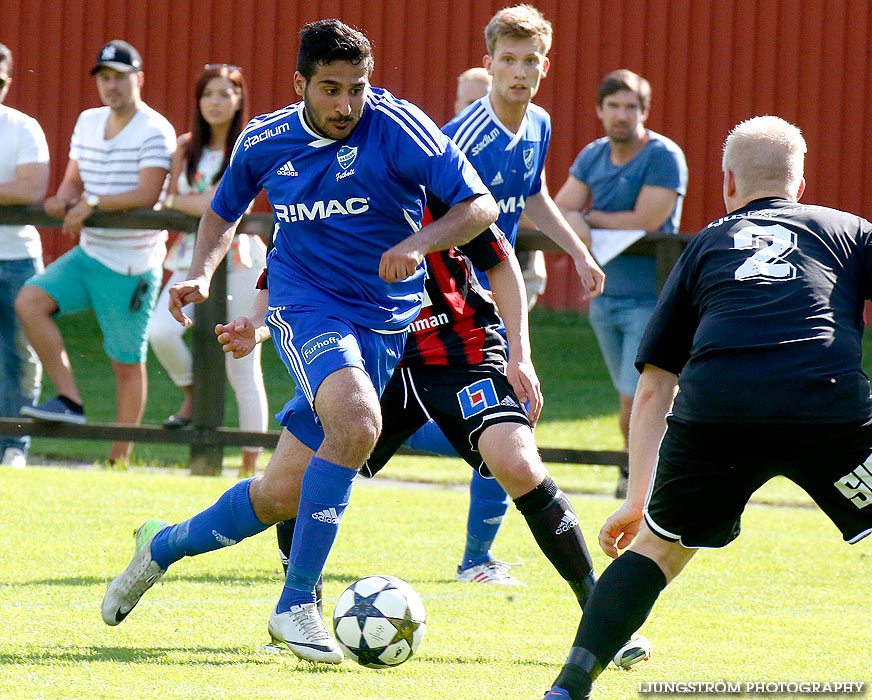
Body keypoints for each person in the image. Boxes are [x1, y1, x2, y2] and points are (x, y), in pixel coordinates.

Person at [101, 19, 501, 664]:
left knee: (279, 492)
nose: (346, 105)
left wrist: (417, 242)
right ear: (301, 85)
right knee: (359, 421)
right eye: (331, 89)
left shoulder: (400, 128)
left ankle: (161, 545)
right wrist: (201, 272)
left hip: (384, 322)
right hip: (305, 305)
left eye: (358, 88)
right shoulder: (265, 140)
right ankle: (297, 604)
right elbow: (221, 212)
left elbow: (477, 207)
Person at [543, 115, 872, 699]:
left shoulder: (707, 245)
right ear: (800, 185)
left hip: (718, 411)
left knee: (659, 552)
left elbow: (653, 386)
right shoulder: (848, 230)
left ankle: (569, 685)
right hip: (825, 404)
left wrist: (638, 499)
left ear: (726, 184)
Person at [408, 5, 605, 586]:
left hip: (502, 284)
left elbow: (537, 192)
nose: (519, 71)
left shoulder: (538, 122)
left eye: (531, 61)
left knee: (509, 413)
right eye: (508, 60)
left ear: (545, 67)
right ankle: (475, 557)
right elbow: (425, 214)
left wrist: (577, 251)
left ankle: (477, 558)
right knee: (506, 415)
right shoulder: (462, 134)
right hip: (450, 296)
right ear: (488, 64)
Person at [15, 39, 175, 466]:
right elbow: (73, 179)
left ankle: (117, 461)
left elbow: (148, 192)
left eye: (120, 77)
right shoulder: (87, 121)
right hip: (90, 254)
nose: (111, 86)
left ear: (138, 79)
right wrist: (64, 198)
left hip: (131, 264)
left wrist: (94, 202)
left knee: (125, 363)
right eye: (104, 78)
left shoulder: (155, 128)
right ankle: (69, 398)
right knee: (30, 300)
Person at [554, 69, 688, 498]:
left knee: (640, 400)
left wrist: (586, 218)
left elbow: (647, 220)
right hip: (604, 297)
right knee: (627, 400)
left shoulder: (664, 154)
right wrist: (574, 217)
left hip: (653, 299)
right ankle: (642, 475)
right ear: (600, 110)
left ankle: (643, 482)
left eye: (631, 106)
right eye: (613, 105)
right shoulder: (593, 155)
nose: (621, 114)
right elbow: (560, 209)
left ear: (644, 112)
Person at [148, 64, 268, 478]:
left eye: (224, 93)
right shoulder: (184, 147)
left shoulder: (247, 147)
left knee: (242, 364)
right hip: (189, 258)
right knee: (160, 333)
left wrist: (193, 201)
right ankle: (194, 395)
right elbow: (174, 199)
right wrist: (208, 201)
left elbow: (236, 205)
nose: (215, 101)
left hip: (240, 260)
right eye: (207, 93)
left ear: (239, 100)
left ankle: (250, 466)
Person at [0, 43, 49, 469]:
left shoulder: (24, 127)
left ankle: (15, 447)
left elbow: (33, 189)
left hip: (16, 257)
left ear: (9, 81)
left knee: (19, 355)